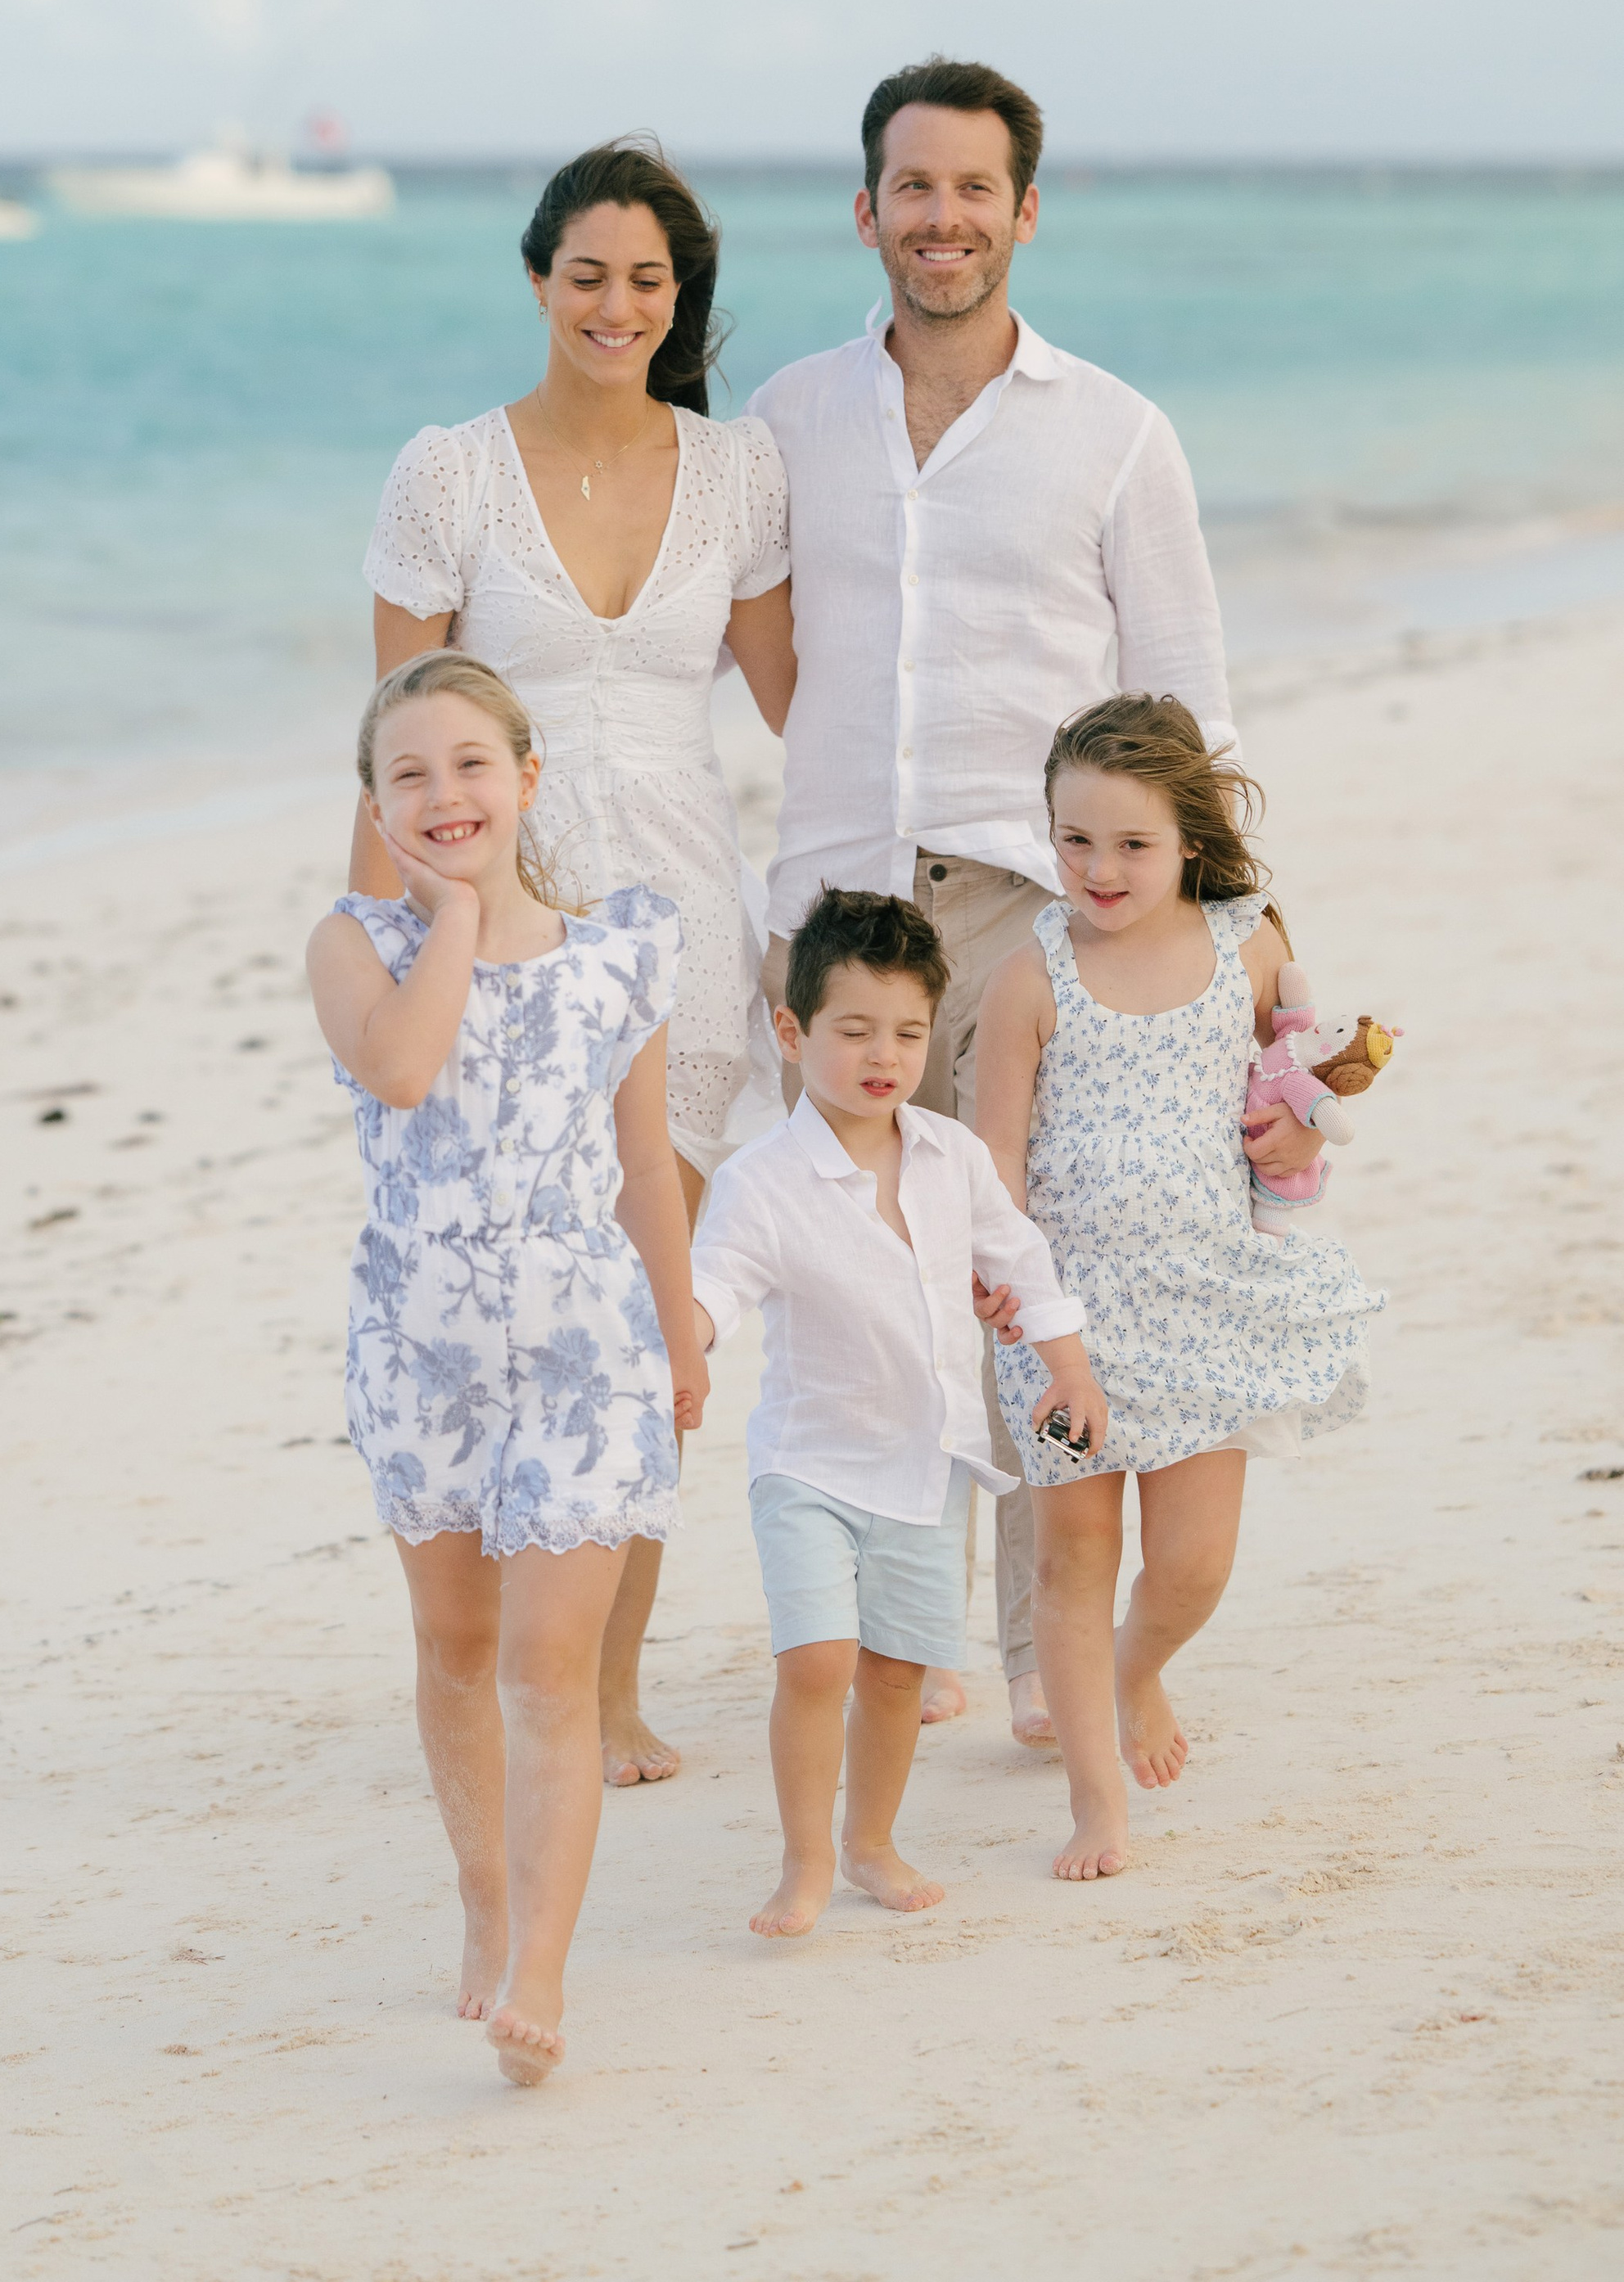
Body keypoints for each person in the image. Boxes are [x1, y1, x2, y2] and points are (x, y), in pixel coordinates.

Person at [747, 54, 1321, 1748]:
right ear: (865, 210)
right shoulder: (786, 415)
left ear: (1022, 211)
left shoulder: (1115, 433)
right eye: (909, 188)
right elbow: (760, 653)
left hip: (1032, 909)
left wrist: (1252, 977)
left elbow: (1187, 703)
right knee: (854, 1284)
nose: (940, 218)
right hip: (839, 908)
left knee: (1017, 1276)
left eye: (971, 188)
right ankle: (885, 1628)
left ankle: (1037, 1661)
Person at [356, 139, 794, 1788]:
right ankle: (493, 1654)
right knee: (507, 1300)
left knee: (638, 1312)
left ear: (680, 300)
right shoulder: (447, 477)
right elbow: (391, 746)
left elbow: (794, 705)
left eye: (649, 280)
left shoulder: (737, 473)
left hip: (678, 930)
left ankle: (605, 1689)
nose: (616, 305)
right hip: (501, 936)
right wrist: (378, 964)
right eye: (588, 273)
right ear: (538, 279)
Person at [308, 651, 709, 2083]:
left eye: (471, 763)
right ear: (377, 804)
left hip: (588, 1350)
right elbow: (406, 1071)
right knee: (459, 1651)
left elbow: (648, 1159)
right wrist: (458, 917)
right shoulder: (355, 945)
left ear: (527, 777)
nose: (443, 793)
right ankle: (485, 1901)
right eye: (407, 773)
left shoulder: (625, 951)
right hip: (421, 1360)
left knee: (551, 1673)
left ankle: (542, 1962)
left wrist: (681, 1322)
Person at [975, 693, 1385, 1881]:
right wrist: (998, 1276)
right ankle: (1095, 1801)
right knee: (1072, 1562)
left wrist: (1305, 1142)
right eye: (1075, 840)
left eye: (1133, 843)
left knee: (1195, 1564)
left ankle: (1133, 1668)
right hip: (1070, 1327)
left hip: (1209, 1298)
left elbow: (1295, 1088)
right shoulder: (1028, 977)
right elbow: (995, 1155)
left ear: (1190, 841)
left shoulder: (1246, 944)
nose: (1099, 868)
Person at [688, 888, 1103, 1939]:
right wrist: (680, 1344)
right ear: (793, 1031)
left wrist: (1071, 1370)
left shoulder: (950, 1156)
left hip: (931, 1463)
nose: (884, 1054)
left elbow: (1020, 1257)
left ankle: (870, 1840)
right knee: (818, 1658)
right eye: (854, 1029)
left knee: (895, 1673)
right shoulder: (759, 1181)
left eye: (909, 1031)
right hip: (809, 1462)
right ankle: (804, 1860)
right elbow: (716, 1285)